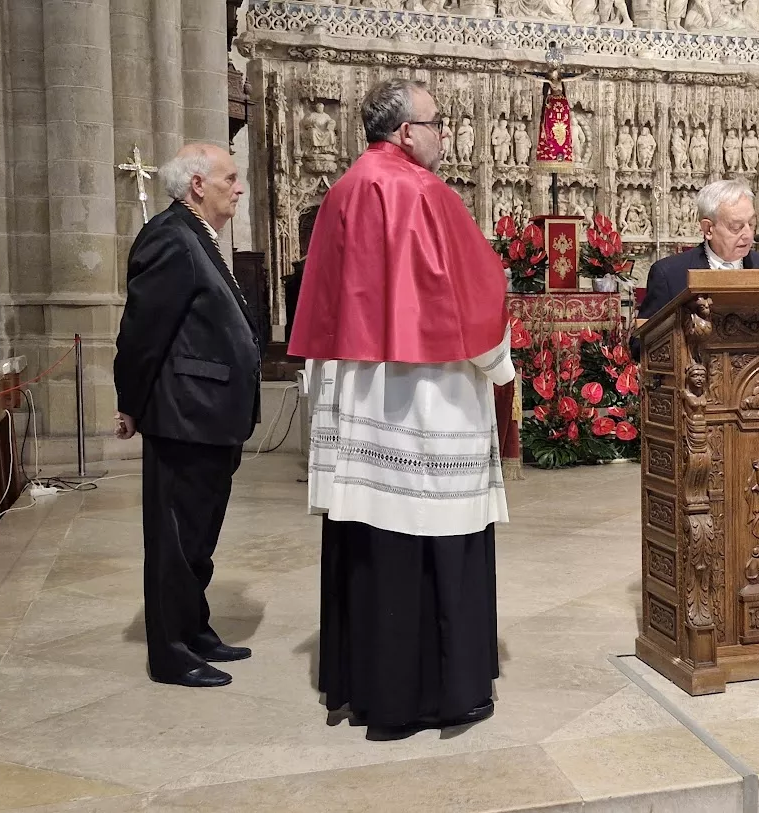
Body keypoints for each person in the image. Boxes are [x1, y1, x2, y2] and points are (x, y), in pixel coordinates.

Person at [288, 78, 514, 741]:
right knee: (432, 537)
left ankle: (372, 687)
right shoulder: (421, 191)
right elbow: (476, 299)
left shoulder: (345, 189)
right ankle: (441, 692)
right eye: (436, 123)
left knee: (374, 544)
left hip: (360, 396)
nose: (444, 134)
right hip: (426, 403)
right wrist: (499, 365)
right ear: (405, 132)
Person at [112, 143, 259, 689]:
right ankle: (170, 651)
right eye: (231, 177)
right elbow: (143, 331)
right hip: (184, 415)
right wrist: (131, 402)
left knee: (199, 534)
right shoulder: (169, 235)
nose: (238, 187)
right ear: (198, 184)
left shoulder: (202, 238)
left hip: (212, 415)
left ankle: (194, 629)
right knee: (174, 539)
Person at [636, 179, 759, 325]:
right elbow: (642, 342)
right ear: (708, 229)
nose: (748, 234)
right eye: (736, 227)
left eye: (751, 224)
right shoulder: (669, 275)